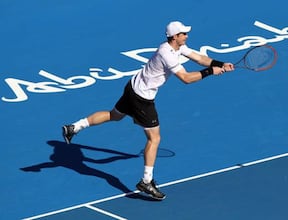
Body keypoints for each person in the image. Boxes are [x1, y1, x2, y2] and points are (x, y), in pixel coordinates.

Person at [62, 21, 235, 200]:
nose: (187, 36)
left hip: (132, 87)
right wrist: (209, 72)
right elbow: (185, 78)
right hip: (142, 99)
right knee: (154, 138)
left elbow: (199, 58)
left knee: (114, 116)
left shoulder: (176, 47)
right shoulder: (167, 54)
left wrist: (221, 64)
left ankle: (74, 127)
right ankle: (146, 181)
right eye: (183, 33)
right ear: (175, 36)